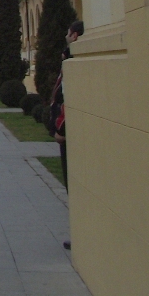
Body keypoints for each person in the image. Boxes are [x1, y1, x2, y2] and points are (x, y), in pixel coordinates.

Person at [49, 20, 83, 250]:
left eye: (69, 34)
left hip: (68, 133)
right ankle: (81, 231)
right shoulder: (68, 60)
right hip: (66, 130)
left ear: (75, 36)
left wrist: (60, 129)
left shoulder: (74, 63)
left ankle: (82, 232)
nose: (66, 36)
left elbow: (66, 98)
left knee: (75, 181)